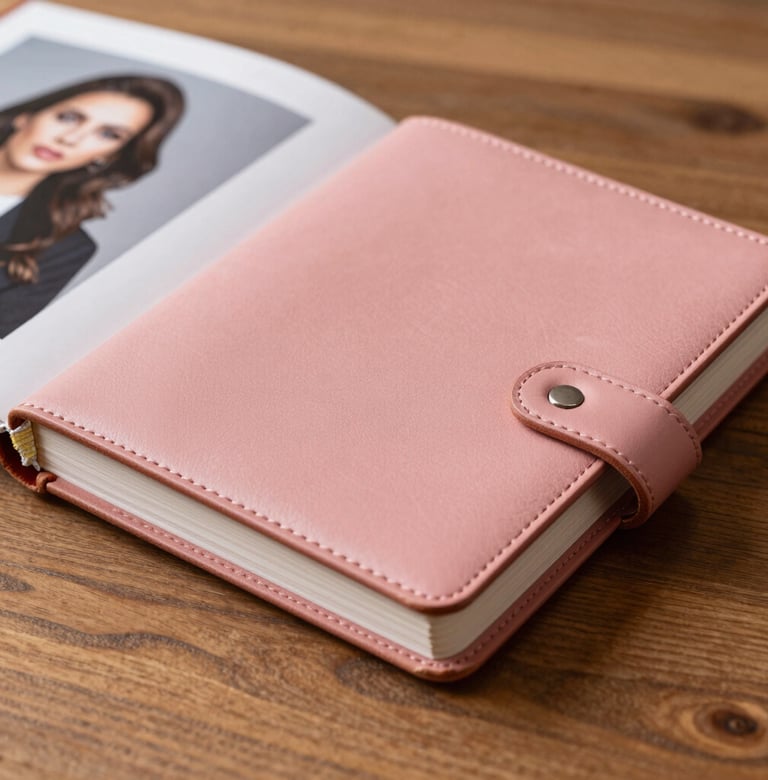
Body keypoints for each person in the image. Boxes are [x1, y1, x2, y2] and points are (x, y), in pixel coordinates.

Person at [0, 74, 184, 338]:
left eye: (108, 134)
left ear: (109, 156)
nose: (71, 138)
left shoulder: (64, 249)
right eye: (69, 117)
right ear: (27, 116)